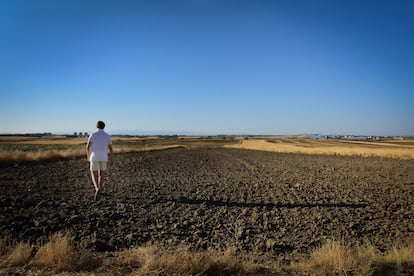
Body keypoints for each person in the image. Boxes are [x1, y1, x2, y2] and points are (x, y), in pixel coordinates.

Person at [86, 121, 114, 200]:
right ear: (104, 127)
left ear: (96, 126)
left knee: (93, 173)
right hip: (104, 157)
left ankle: (97, 188)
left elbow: (87, 147)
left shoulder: (93, 134)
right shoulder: (107, 135)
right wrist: (111, 159)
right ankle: (100, 188)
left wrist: (88, 156)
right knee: (101, 173)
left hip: (94, 156)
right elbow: (110, 148)